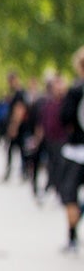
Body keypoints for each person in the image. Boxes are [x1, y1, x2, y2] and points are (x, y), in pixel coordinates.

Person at [58, 47, 84, 253]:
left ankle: (72, 237)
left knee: (70, 196)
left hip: (76, 151)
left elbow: (64, 117)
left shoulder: (75, 91)